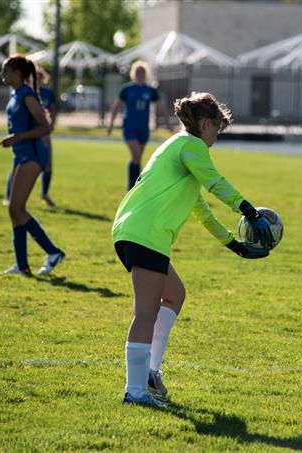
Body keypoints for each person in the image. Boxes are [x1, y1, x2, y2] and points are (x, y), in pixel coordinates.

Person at [112, 92, 274, 407]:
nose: (216, 138)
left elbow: (202, 211)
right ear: (205, 124)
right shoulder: (191, 145)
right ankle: (135, 392)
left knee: (174, 295)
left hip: (136, 230)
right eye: (217, 129)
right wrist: (249, 211)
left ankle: (150, 373)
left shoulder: (179, 148)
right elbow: (215, 182)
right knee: (145, 313)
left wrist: (234, 245)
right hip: (145, 233)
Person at [0, 55, 65, 276]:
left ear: (18, 73)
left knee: (16, 209)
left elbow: (45, 127)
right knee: (14, 210)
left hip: (33, 155)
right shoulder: (16, 94)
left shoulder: (27, 95)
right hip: (21, 155)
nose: (2, 74)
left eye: (6, 70)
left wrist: (16, 137)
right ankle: (22, 265)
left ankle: (53, 252)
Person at [107, 61, 172, 190]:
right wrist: (110, 124)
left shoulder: (150, 90)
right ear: (133, 73)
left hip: (143, 129)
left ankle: (136, 187)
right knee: (136, 155)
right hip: (129, 128)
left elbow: (161, 106)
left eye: (142, 71)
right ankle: (131, 187)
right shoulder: (127, 89)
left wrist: (168, 123)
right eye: (138, 71)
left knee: (137, 159)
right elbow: (116, 106)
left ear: (146, 73)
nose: (140, 74)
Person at [3, 67, 57, 207]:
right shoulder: (24, 93)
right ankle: (9, 196)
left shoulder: (46, 93)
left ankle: (44, 193)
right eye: (35, 77)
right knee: (18, 163)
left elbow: (52, 110)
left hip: (42, 132)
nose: (37, 80)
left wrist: (51, 124)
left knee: (48, 164)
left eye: (40, 77)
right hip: (29, 134)